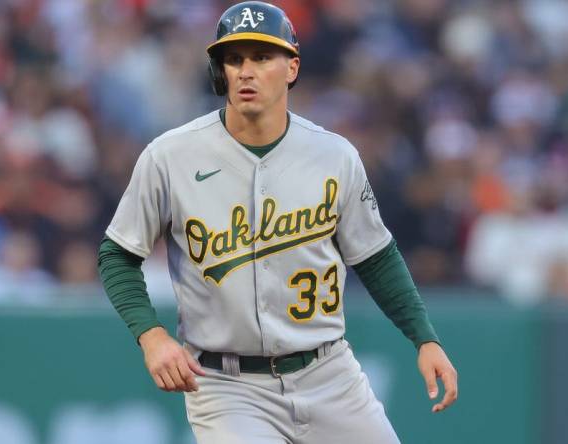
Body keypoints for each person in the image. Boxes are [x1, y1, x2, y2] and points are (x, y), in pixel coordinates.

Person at [98, 2, 457, 443]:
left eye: (262, 57)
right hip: (227, 384)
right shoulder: (170, 157)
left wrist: (425, 338)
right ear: (219, 72)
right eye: (234, 59)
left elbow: (376, 257)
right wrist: (151, 336)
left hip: (329, 373)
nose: (246, 71)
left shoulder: (334, 156)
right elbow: (117, 254)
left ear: (292, 67)